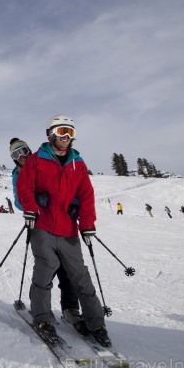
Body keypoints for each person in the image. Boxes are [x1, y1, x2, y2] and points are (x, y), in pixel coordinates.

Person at [16, 114, 111, 347]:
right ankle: (42, 318)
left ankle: (96, 322)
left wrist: (87, 223)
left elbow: (86, 196)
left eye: (70, 132)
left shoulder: (78, 164)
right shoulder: (37, 160)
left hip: (68, 229)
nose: (66, 137)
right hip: (43, 226)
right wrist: (31, 207)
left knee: (79, 275)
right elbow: (23, 186)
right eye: (61, 132)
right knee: (45, 269)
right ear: (50, 134)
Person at [10, 138, 87, 335]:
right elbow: (19, 201)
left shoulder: (43, 162)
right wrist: (33, 201)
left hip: (62, 223)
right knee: (47, 267)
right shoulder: (18, 174)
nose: (22, 157)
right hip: (39, 224)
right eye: (16, 155)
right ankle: (40, 308)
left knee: (68, 269)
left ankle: (70, 309)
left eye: (24, 151)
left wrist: (74, 205)